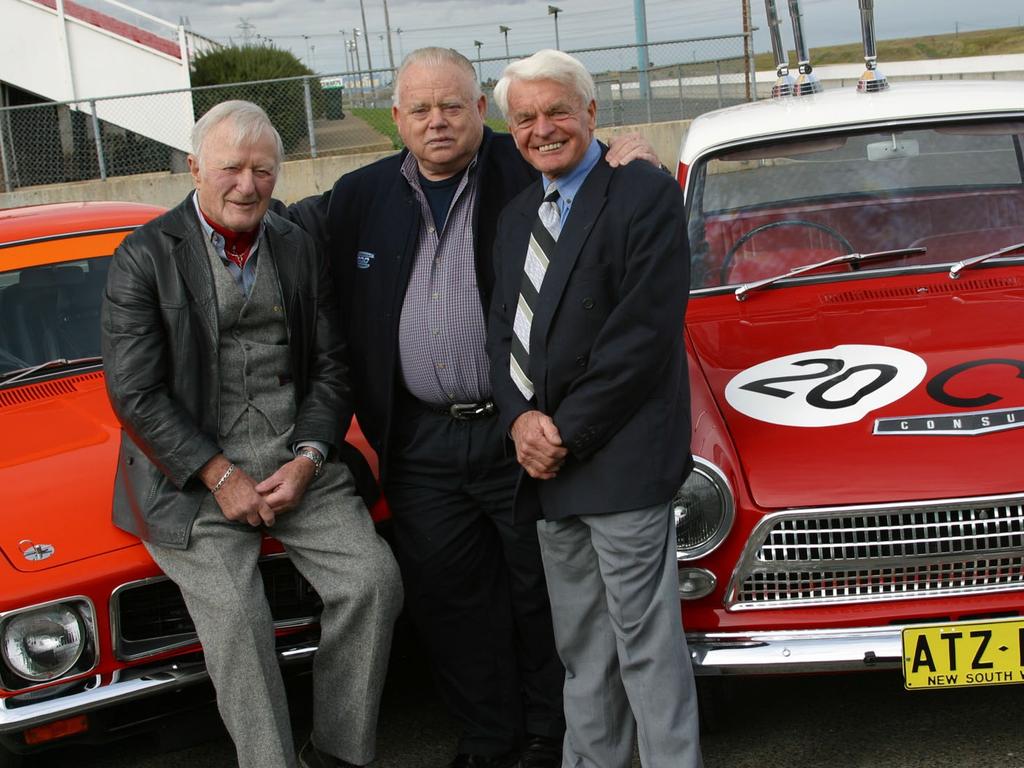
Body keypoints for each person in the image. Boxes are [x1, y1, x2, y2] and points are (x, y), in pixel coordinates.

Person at [280, 48, 661, 768]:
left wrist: (627, 154)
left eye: (452, 105)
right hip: (419, 441)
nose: (437, 122)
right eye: (420, 110)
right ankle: (490, 737)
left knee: (540, 589)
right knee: (451, 600)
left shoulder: (524, 166)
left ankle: (551, 734)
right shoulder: (359, 197)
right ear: (395, 119)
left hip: (516, 428)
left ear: (479, 110)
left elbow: (589, 166)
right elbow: (278, 227)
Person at [100, 100, 403, 768]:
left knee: (375, 580)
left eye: (263, 170)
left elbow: (331, 366)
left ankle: (340, 752)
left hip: (295, 457)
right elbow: (135, 393)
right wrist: (219, 475)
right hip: (188, 479)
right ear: (194, 166)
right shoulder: (143, 256)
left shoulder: (298, 244)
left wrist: (310, 456)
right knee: (238, 622)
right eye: (231, 167)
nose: (248, 184)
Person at [487, 50, 703, 768]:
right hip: (548, 469)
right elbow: (504, 334)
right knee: (583, 653)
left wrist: (563, 433)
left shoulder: (640, 191)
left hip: (619, 462)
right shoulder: (519, 214)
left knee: (646, 651)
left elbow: (641, 336)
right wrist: (519, 419)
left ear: (591, 113)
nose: (542, 128)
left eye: (556, 111)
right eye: (525, 117)